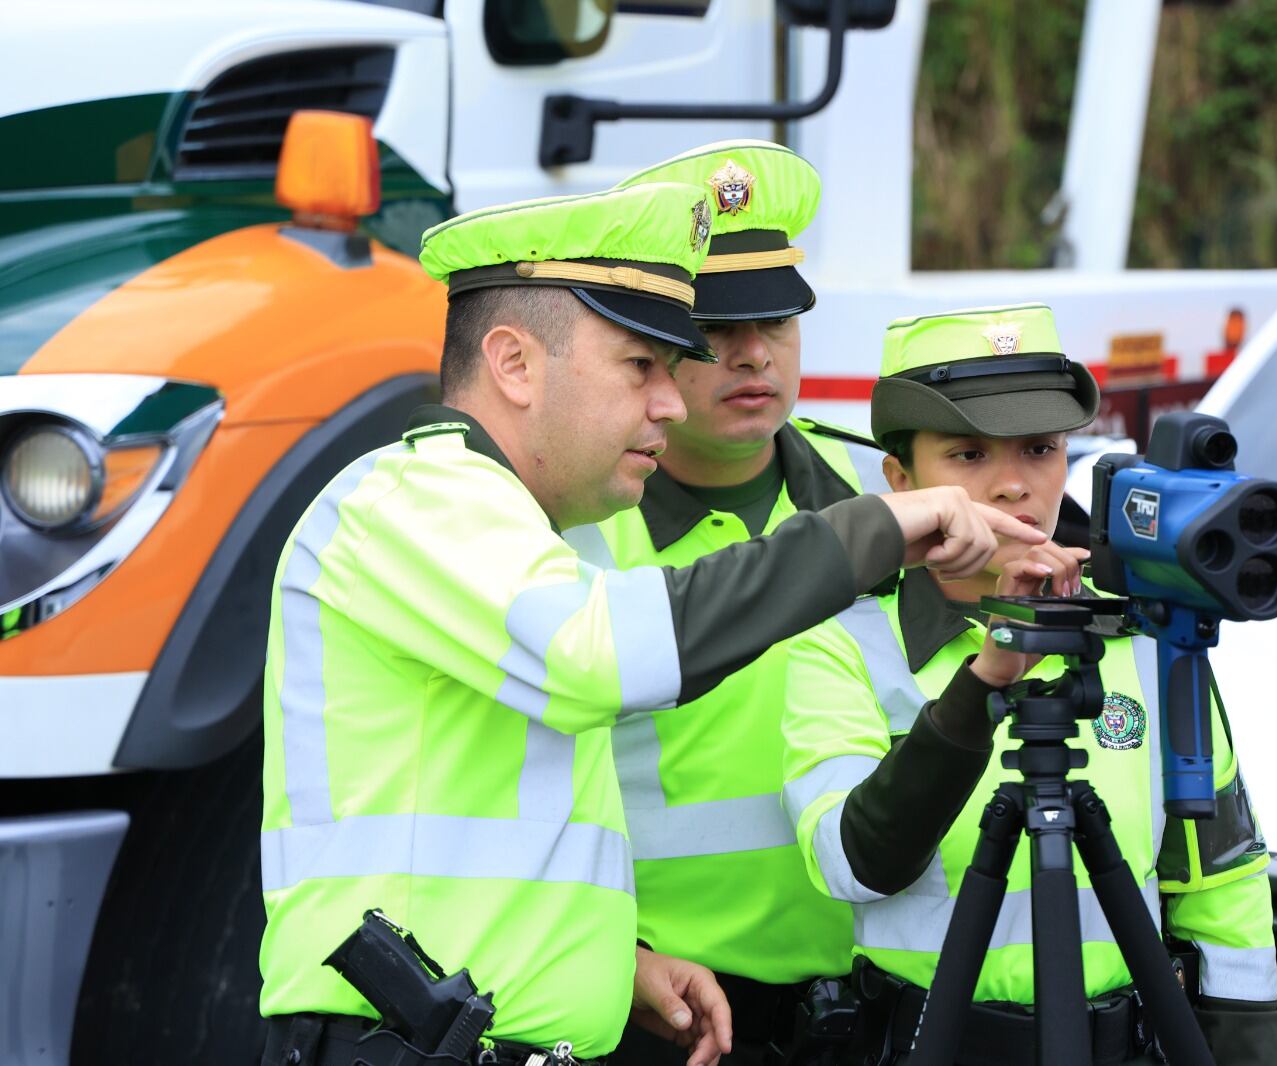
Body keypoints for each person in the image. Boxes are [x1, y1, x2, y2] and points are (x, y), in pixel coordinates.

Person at [257, 186, 1049, 1066]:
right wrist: (877, 528)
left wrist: (611, 964)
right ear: (515, 365)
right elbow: (606, 655)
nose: (671, 404)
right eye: (642, 366)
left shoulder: (505, 527)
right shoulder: (418, 500)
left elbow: (499, 836)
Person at [780, 304, 1277, 1066]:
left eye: (1040, 449)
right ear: (901, 478)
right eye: (970, 455)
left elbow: (1222, 880)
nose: (1014, 485)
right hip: (931, 1043)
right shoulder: (845, 640)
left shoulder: (1146, 637)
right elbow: (856, 866)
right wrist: (984, 681)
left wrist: (1246, 1051)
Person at [560, 140, 881, 1066]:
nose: (753, 354)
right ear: (651, 348)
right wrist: (609, 956)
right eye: (717, 329)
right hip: (668, 1013)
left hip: (887, 990)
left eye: (777, 320)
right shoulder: (572, 530)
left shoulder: (885, 493)